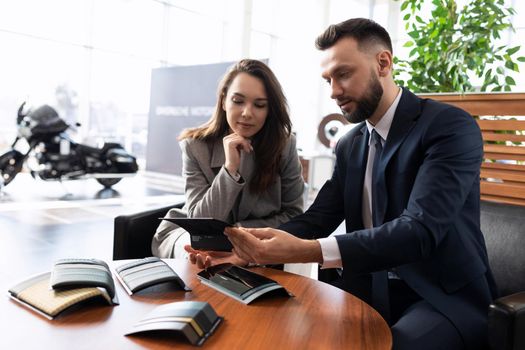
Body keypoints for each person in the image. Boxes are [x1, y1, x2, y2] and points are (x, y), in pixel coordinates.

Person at [186, 19, 497, 349]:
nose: (334, 91)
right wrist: (245, 250)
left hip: (441, 297)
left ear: (383, 63)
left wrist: (309, 251)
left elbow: (419, 231)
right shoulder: (351, 144)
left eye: (343, 74)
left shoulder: (448, 126)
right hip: (370, 288)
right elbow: (318, 218)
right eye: (328, 80)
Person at [152, 59, 304, 259]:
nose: (247, 113)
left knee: (221, 259)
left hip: (253, 240)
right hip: (191, 236)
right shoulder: (195, 146)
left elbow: (295, 215)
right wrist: (230, 169)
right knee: (198, 254)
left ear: (269, 110)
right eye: (238, 101)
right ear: (224, 101)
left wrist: (239, 233)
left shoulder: (284, 145)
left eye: (259, 105)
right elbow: (199, 222)